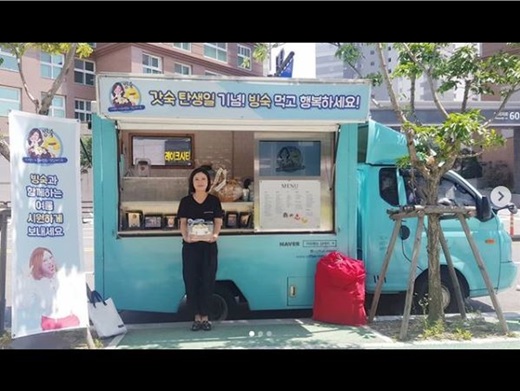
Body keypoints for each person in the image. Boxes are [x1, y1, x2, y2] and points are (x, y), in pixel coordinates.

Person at [177, 167, 223, 331]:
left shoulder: (214, 201)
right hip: (190, 248)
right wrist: (185, 236)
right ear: (192, 182)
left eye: (203, 179)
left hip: (209, 248)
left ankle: (206, 318)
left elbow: (218, 221)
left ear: (208, 182)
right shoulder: (185, 201)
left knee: (208, 282)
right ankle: (196, 318)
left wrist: (215, 235)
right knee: (191, 281)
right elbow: (183, 222)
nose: (200, 182)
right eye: (196, 179)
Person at [28, 247, 80, 331]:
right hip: (49, 322)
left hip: (70, 319)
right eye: (44, 261)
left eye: (50, 257)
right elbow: (28, 304)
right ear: (38, 265)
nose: (50, 262)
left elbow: (75, 299)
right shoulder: (36, 284)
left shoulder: (64, 276)